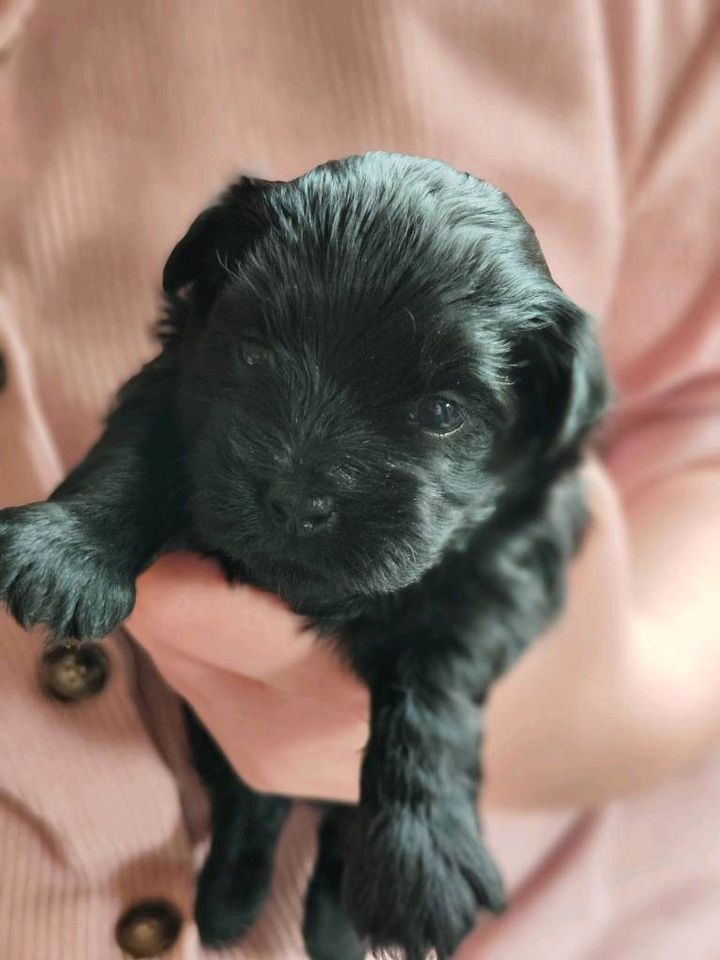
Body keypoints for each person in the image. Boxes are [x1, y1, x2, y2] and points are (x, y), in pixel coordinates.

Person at [1, 2, 718, 957]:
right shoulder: (215, 315)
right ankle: (243, 854)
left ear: (546, 414)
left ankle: (334, 879)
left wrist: (623, 698)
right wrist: (93, 530)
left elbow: (699, 419)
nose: (305, 476)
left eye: (437, 412)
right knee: (243, 801)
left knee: (367, 846)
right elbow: (159, 414)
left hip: (573, 912)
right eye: (262, 357)